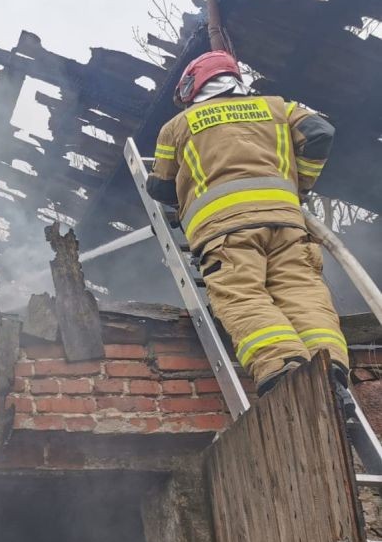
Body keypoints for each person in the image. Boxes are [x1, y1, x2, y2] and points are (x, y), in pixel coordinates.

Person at [146, 50, 348, 395]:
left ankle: (282, 366)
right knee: (302, 293)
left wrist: (183, 199)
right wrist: (299, 186)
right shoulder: (279, 108)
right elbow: (319, 133)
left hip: (225, 232)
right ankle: (330, 367)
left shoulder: (178, 126)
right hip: (286, 224)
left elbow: (160, 187)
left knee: (242, 295)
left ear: (192, 87)